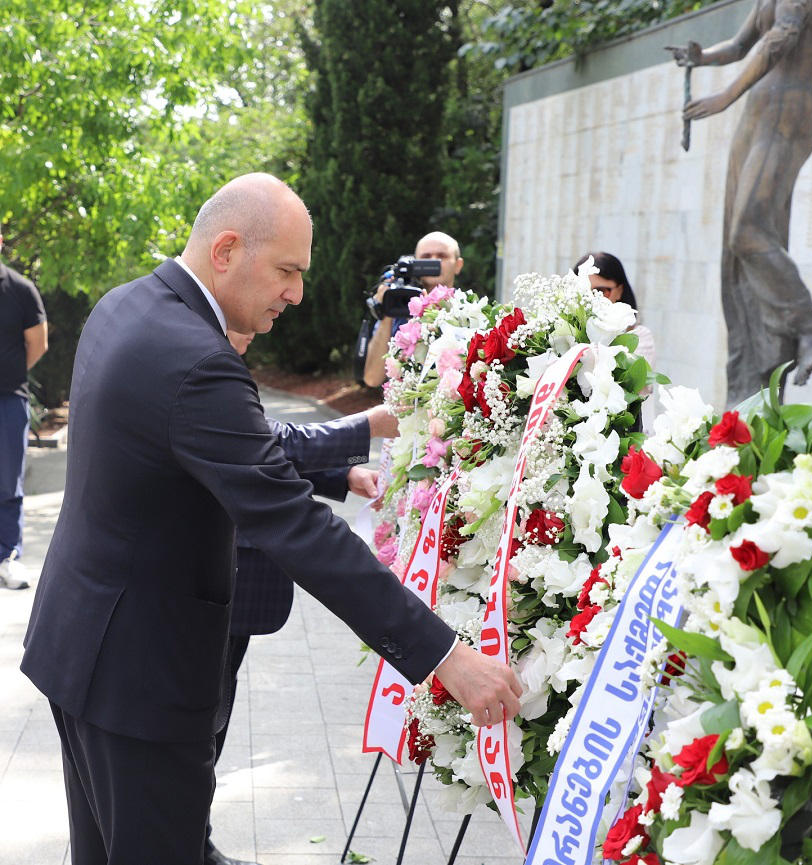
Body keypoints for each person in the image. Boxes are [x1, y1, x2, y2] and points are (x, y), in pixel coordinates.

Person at [21, 173, 521, 865]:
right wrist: (448, 655)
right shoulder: (197, 359)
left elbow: (207, 445)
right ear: (227, 249)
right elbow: (298, 530)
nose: (297, 293)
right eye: (287, 270)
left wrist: (333, 468)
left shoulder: (130, 306)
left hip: (84, 649)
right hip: (142, 679)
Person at [205, 331, 386, 865]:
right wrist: (367, 426)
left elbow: (250, 444)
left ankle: (194, 837)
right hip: (209, 573)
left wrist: (340, 473)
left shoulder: (218, 349)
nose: (287, 301)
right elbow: (265, 438)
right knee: (200, 720)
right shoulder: (197, 354)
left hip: (233, 578)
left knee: (214, 711)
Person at [667, 0, 812, 405]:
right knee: (735, 250)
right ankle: (750, 381)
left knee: (747, 231)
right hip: (757, 115)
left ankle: (808, 325)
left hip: (786, 113)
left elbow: (777, 44)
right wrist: (702, 56)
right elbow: (742, 44)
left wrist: (724, 96)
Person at [0, 229, 48, 591]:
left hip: (8, 400)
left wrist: (11, 373)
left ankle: (6, 557)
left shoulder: (19, 289)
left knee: (7, 482)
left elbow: (38, 343)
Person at [362, 230, 463, 388]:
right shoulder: (398, 310)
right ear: (414, 264)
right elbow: (372, 378)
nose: (433, 261)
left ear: (458, 265)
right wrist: (389, 308)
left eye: (442, 256)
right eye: (426, 257)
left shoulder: (469, 311)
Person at [573, 251, 655, 368]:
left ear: (619, 290)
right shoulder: (564, 332)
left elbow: (640, 385)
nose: (590, 299)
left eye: (601, 291)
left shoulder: (639, 337)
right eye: (583, 292)